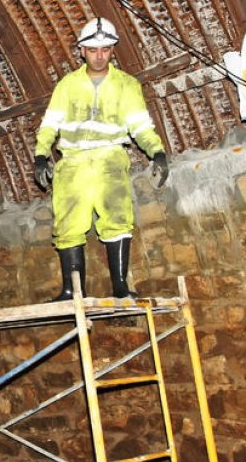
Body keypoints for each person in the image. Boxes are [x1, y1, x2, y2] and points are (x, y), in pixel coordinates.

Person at [33, 17, 169, 301]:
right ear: (82, 50)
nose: (99, 55)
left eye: (105, 49)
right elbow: (50, 124)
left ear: (112, 50)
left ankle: (120, 287)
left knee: (118, 219)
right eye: (93, 50)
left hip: (110, 158)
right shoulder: (68, 85)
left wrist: (156, 151)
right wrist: (42, 154)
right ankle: (72, 291)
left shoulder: (127, 85)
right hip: (72, 163)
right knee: (69, 225)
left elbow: (140, 125)